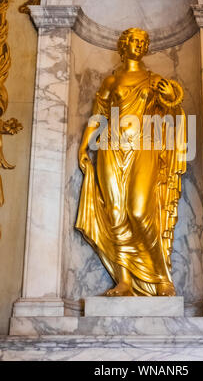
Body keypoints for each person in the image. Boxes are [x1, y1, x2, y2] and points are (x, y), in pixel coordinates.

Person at [75, 28, 186, 296]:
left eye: (142, 41)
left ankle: (162, 276)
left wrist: (170, 97)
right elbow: (98, 117)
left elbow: (173, 111)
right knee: (115, 212)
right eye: (134, 40)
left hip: (143, 148)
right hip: (111, 148)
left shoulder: (154, 80)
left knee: (138, 211)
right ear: (123, 46)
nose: (139, 44)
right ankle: (123, 281)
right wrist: (82, 147)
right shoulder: (111, 82)